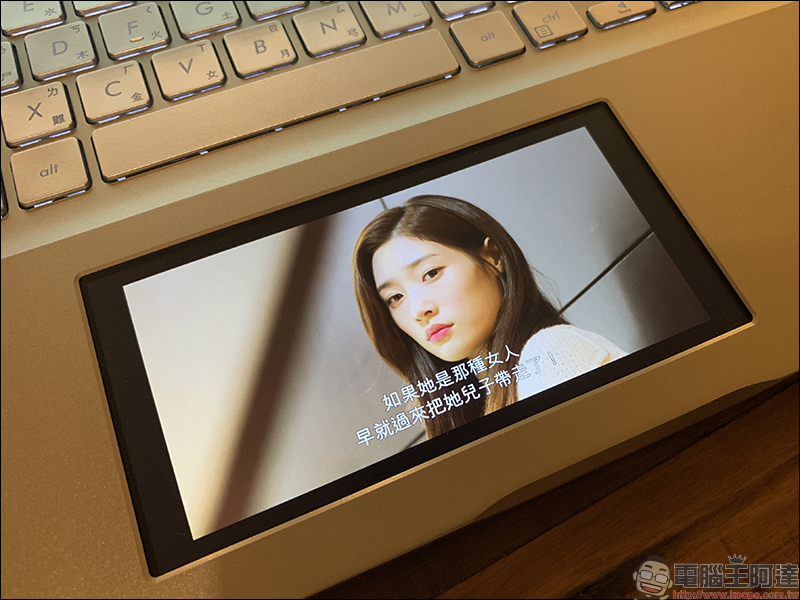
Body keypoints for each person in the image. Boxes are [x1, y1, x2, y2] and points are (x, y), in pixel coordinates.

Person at [353, 195, 625, 438]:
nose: (418, 310)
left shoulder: (550, 355)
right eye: (395, 298)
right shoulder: (475, 405)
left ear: (493, 256)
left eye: (431, 273)